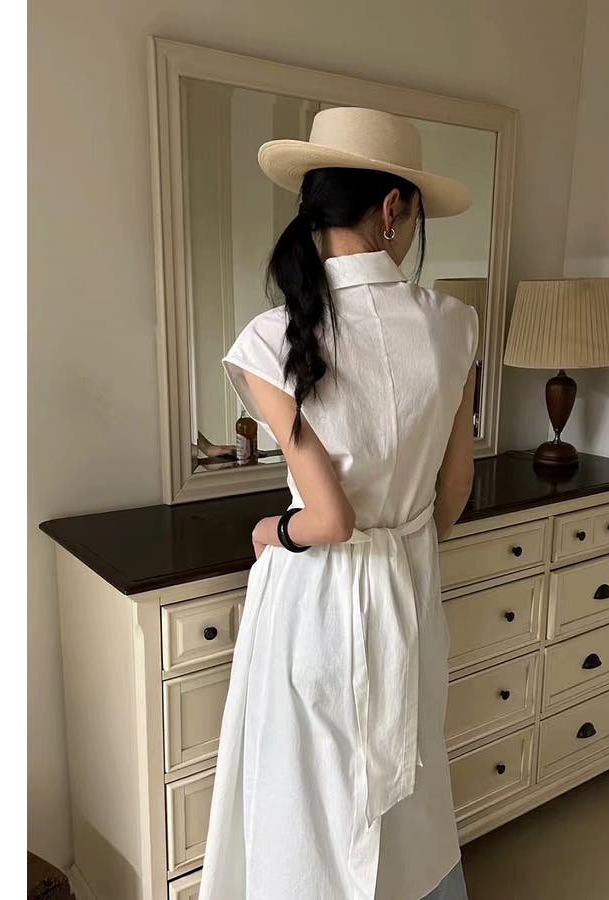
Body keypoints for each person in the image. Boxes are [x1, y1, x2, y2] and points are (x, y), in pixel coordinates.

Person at [198, 106, 478, 900]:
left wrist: (269, 529)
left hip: (313, 601)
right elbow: (454, 489)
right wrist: (410, 548)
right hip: (408, 592)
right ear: (392, 207)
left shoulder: (270, 339)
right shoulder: (456, 326)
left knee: (303, 804)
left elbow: (328, 520)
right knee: (407, 792)